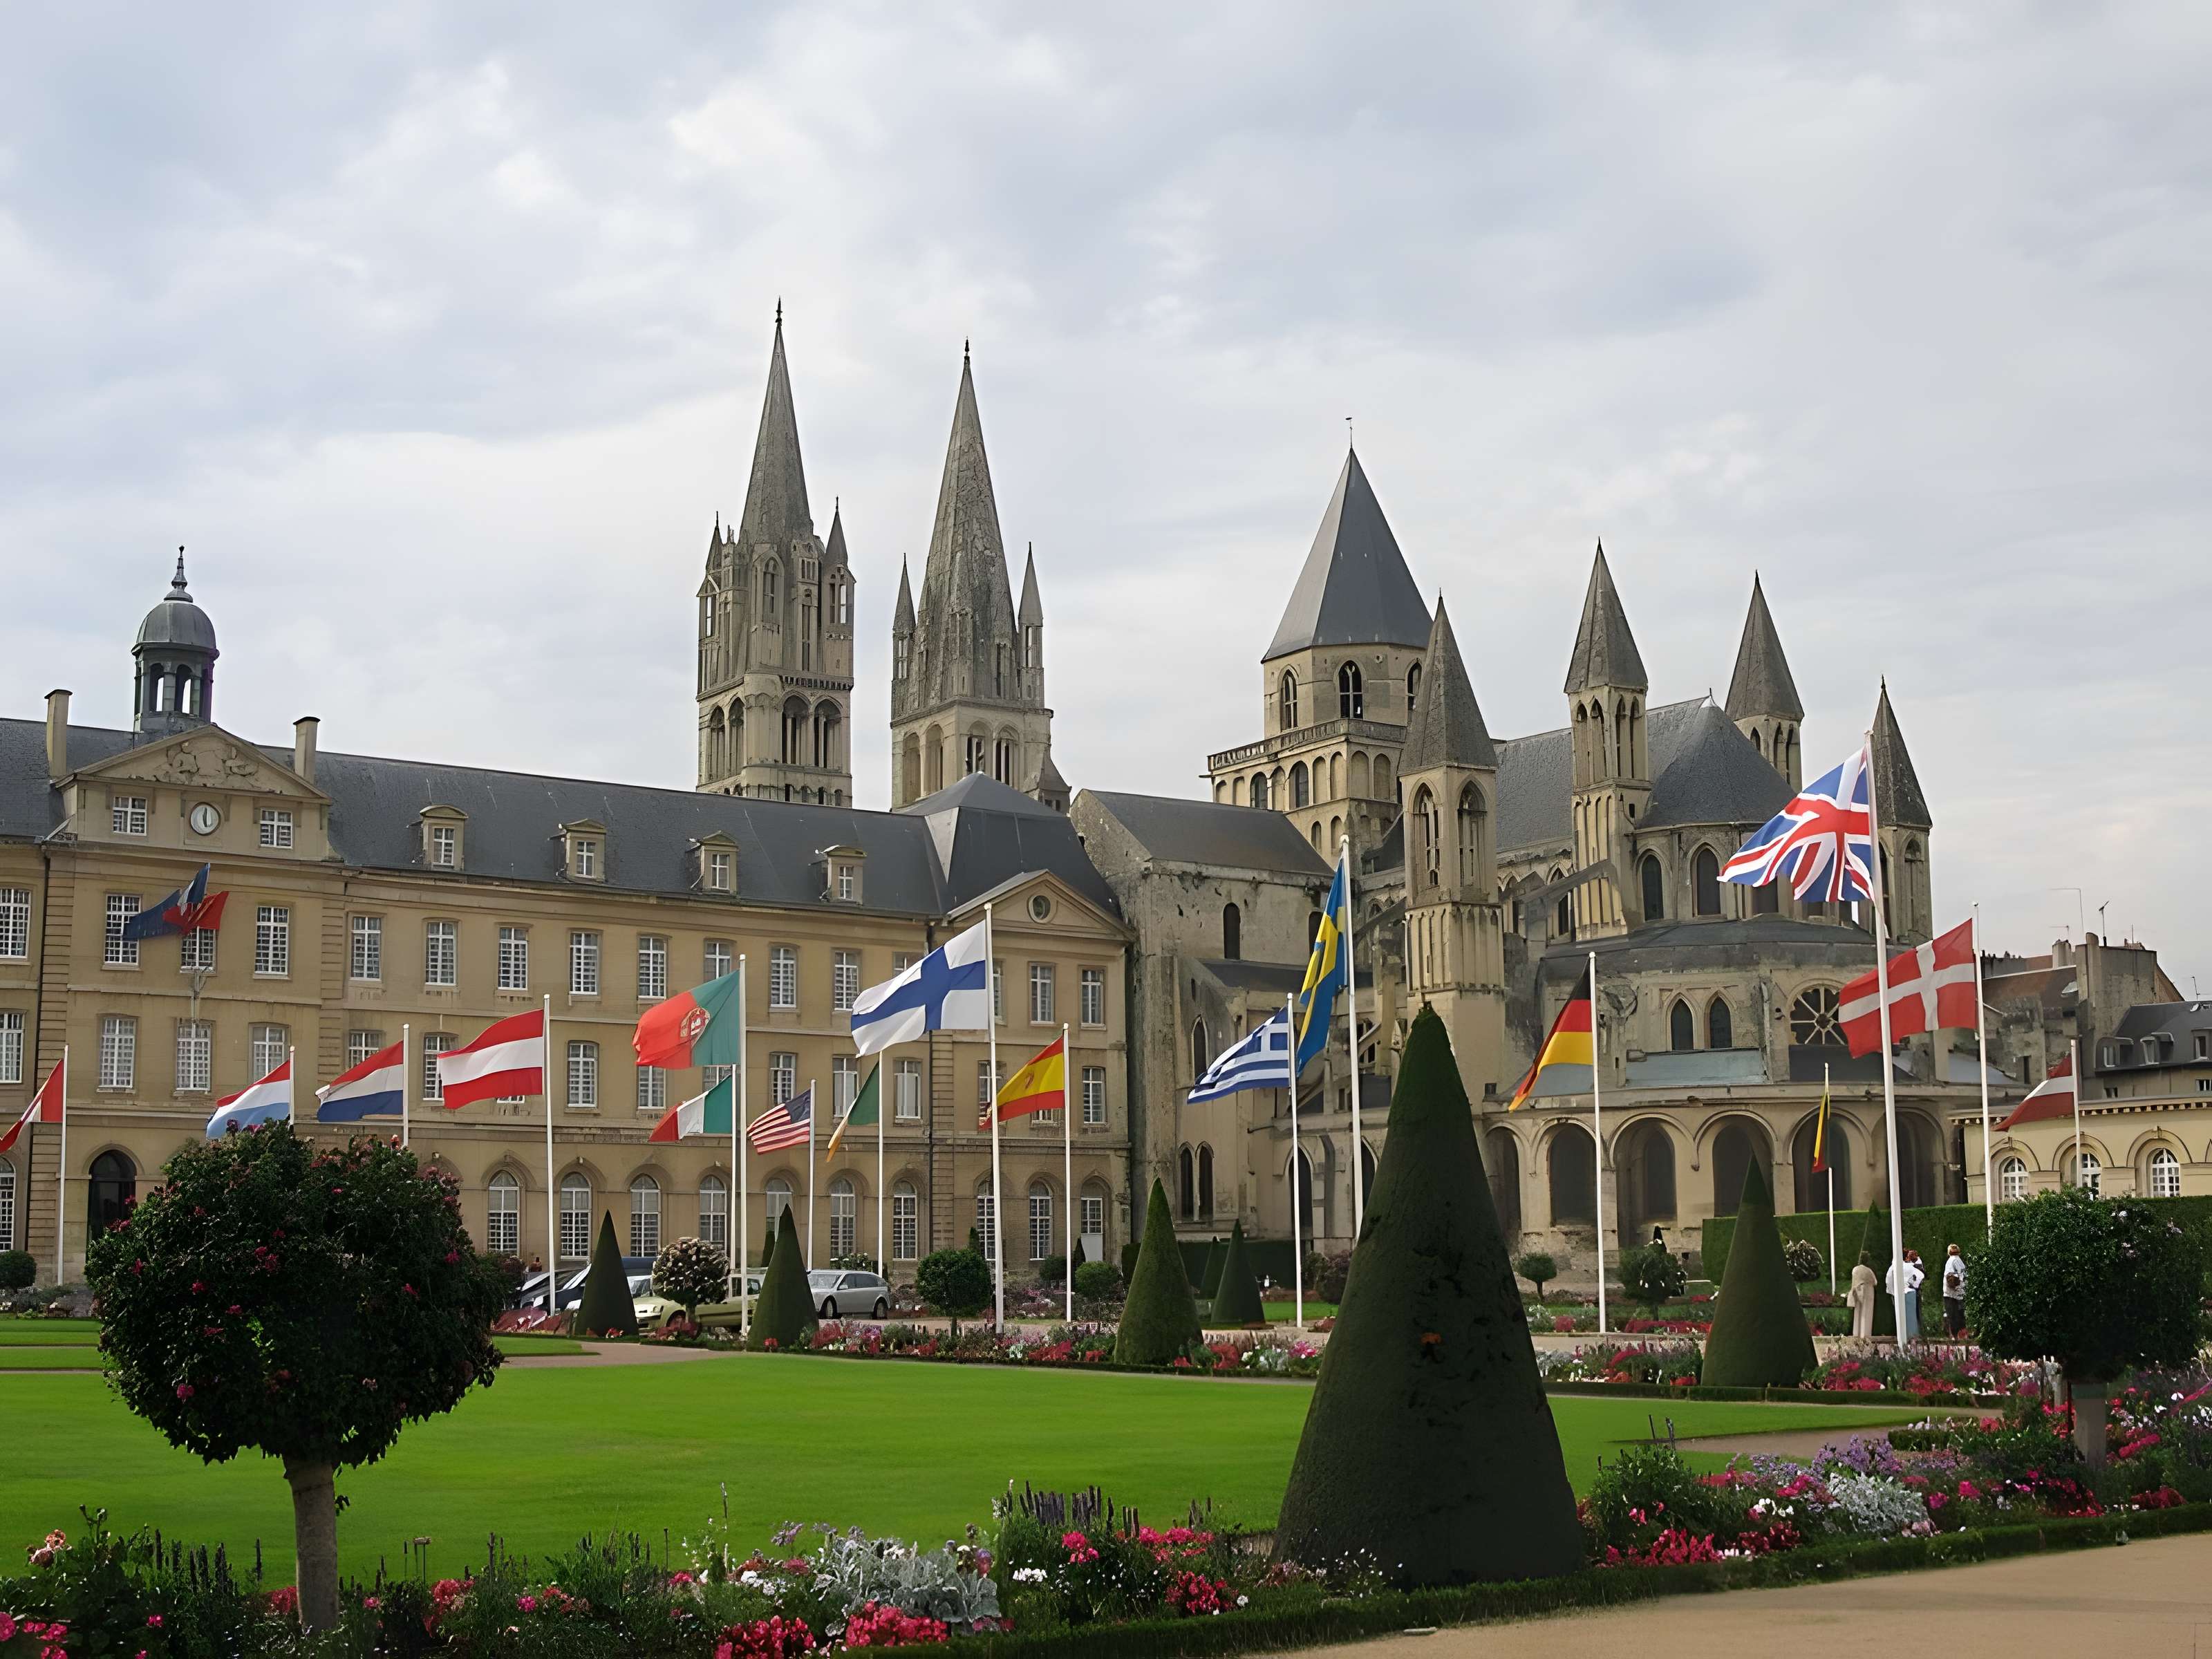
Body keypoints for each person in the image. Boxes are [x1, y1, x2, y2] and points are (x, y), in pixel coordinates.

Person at [1848, 1253, 1877, 1340]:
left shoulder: (1855, 1270)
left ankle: (1856, 1333)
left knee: (1858, 1312)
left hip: (1857, 1291)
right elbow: (1875, 1282)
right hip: (1868, 1292)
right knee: (1866, 1313)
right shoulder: (1869, 1271)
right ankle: (1865, 1335)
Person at [1942, 1244, 1967, 1338]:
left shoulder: (1952, 1261)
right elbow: (1964, 1275)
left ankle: (1957, 1335)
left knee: (1953, 1315)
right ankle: (1960, 1335)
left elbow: (1961, 1275)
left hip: (1951, 1293)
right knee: (1958, 1314)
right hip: (1957, 1293)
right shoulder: (1958, 1261)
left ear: (1949, 1252)